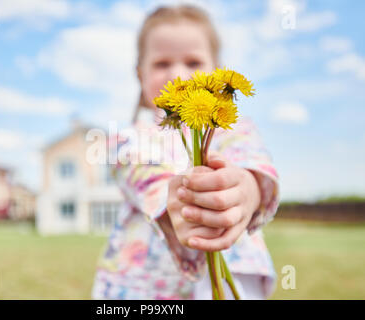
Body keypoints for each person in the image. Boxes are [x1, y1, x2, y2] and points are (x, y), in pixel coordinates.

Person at [91, 5, 280, 300]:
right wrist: (174, 203)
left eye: (193, 62)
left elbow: (255, 165)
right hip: (147, 290)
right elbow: (144, 177)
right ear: (140, 75)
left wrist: (247, 190)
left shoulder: (236, 129)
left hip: (234, 281)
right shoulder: (126, 139)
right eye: (162, 64)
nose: (178, 75)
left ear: (217, 72)